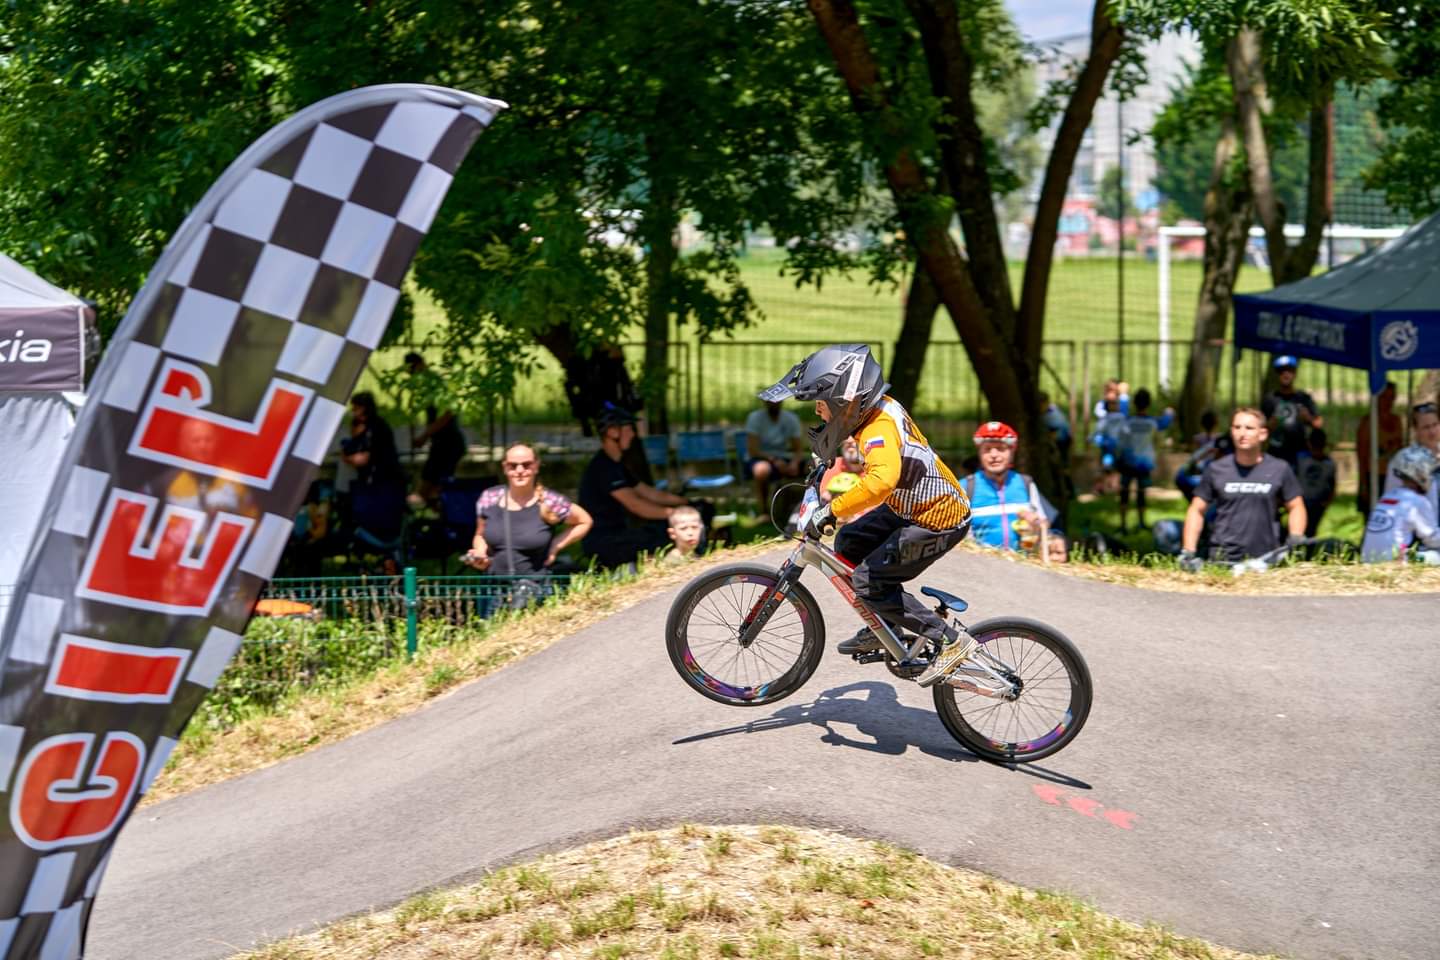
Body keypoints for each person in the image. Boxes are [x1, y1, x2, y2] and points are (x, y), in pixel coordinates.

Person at [759, 344, 973, 688]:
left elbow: (881, 480)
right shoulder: (873, 413)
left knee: (870, 583)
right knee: (848, 541)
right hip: (909, 507)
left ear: (847, 401)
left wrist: (833, 509)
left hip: (936, 521)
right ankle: (886, 625)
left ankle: (949, 641)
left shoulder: (878, 428)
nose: (818, 412)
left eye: (822, 404)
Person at [1179, 408, 1306, 569]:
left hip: (1266, 562)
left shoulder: (1279, 469)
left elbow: (1296, 505)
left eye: (1249, 428)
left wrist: (1295, 537)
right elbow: (1196, 510)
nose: (1242, 433)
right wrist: (1188, 551)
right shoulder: (1216, 469)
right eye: (1237, 427)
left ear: (1263, 434)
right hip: (1222, 562)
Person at [578, 405, 700, 569]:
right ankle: (666, 571)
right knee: (662, 534)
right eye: (628, 429)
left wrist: (686, 502)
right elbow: (636, 505)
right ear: (612, 432)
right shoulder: (603, 468)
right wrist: (675, 513)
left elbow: (649, 493)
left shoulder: (617, 465)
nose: (633, 434)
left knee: (664, 527)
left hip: (616, 533)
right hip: (604, 540)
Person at [463, 444, 593, 582]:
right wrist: (480, 553)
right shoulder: (489, 497)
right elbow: (480, 535)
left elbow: (585, 521)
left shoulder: (550, 501)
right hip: (494, 589)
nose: (519, 470)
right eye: (513, 465)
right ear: (505, 467)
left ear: (536, 466)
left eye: (526, 465)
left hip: (535, 590)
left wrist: (555, 546)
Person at [963, 421, 1066, 563]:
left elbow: (1049, 525)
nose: (993, 455)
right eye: (987, 449)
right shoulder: (966, 487)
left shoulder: (1025, 484)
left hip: (1023, 567)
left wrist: (1053, 538)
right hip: (981, 567)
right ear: (979, 453)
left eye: (1000, 449)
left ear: (1012, 452)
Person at [403, 352, 466, 508]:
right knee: (431, 487)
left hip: (448, 444)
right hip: (441, 444)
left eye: (413, 371)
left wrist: (424, 436)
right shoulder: (427, 386)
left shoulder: (435, 384)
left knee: (433, 487)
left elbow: (447, 415)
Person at [1361, 446, 1440, 564]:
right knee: (1436, 556)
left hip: (1368, 559)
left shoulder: (1388, 496)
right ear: (1420, 472)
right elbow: (1432, 538)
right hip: (1393, 561)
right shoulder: (1417, 501)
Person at [1117, 388, 1174, 533]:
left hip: (1128, 461)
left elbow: (1121, 437)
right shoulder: (1152, 423)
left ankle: (1123, 525)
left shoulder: (1128, 422)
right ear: (1148, 404)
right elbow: (1165, 422)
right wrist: (1169, 411)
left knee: (1125, 492)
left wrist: (1123, 396)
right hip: (1144, 463)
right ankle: (1141, 522)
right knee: (1141, 493)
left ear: (1134, 404)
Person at [743, 399, 806, 517]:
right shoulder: (755, 418)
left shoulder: (791, 419)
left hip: (785, 457)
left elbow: (798, 449)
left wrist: (794, 463)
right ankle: (764, 511)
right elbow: (753, 450)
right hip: (760, 457)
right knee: (761, 470)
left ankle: (808, 508)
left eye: (777, 401)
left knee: (813, 467)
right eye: (770, 401)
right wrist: (774, 460)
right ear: (764, 402)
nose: (774, 403)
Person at [1381, 401, 1440, 520]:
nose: (1432, 432)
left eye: (1435, 425)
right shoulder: (1403, 460)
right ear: (1415, 430)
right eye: (1426, 427)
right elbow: (1391, 498)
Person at [1261, 355, 1322, 467]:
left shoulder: (1304, 398)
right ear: (1277, 374)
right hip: (1276, 452)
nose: (1286, 374)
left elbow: (1318, 424)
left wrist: (1307, 417)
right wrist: (1271, 423)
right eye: (1281, 371)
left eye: (1290, 370)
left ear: (1295, 373)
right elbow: (1260, 429)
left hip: (1300, 452)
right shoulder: (1270, 399)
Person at [1355, 381, 1404, 516]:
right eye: (1384, 398)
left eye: (1391, 397)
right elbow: (1361, 456)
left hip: (1394, 476)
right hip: (1374, 477)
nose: (1388, 402)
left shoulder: (1397, 420)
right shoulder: (1367, 423)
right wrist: (1363, 485)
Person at [341, 392, 404, 490]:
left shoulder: (377, 426)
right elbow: (349, 451)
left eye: (355, 408)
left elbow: (364, 458)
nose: (353, 411)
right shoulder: (359, 426)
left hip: (383, 477)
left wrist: (350, 457)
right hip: (367, 477)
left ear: (363, 408)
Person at [1294, 428, 1336, 538]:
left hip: (1309, 503)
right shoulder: (1329, 463)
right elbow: (1332, 485)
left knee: (1306, 531)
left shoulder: (1300, 459)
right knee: (1308, 531)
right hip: (1308, 503)